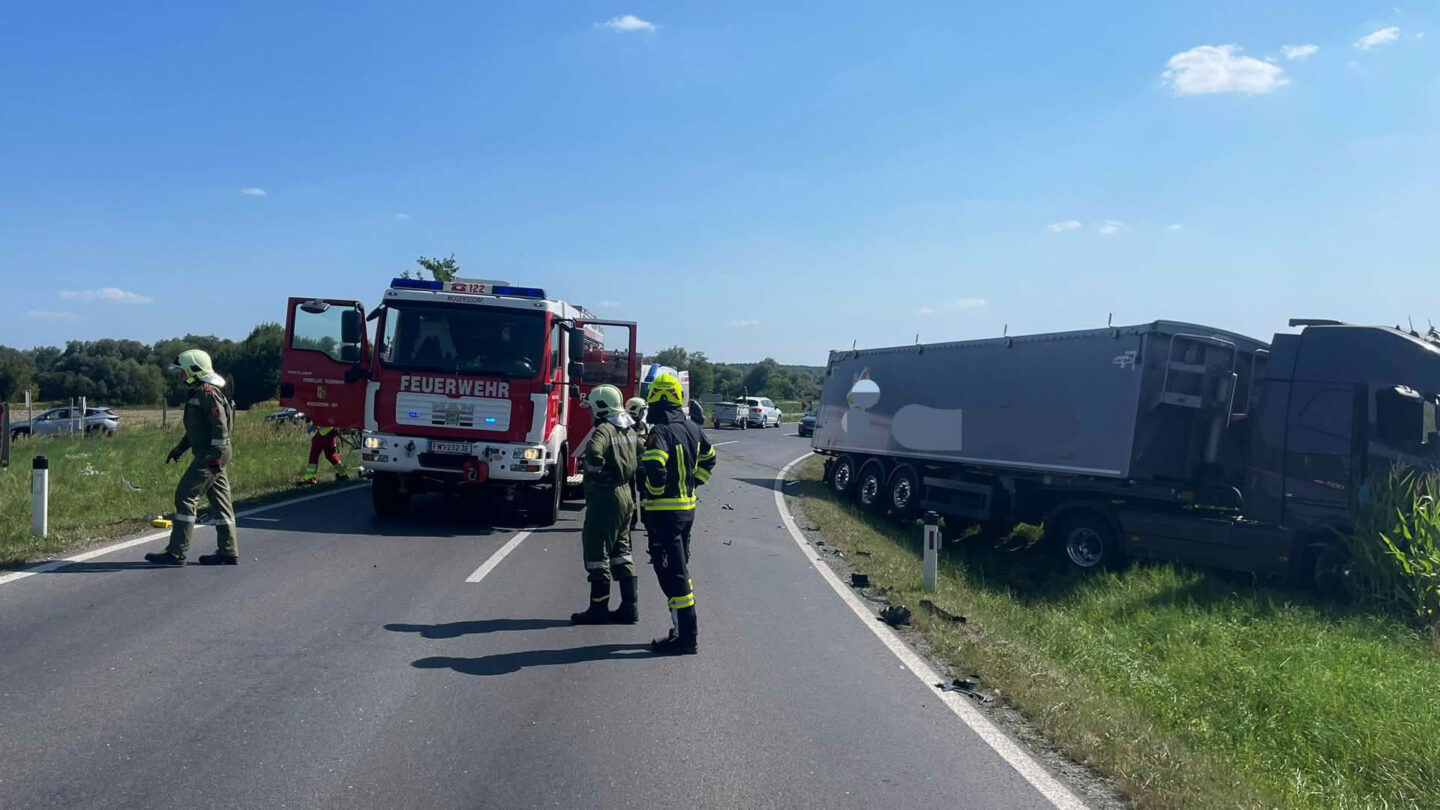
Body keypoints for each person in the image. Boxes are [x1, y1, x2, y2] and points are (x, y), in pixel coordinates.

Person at [639, 373, 717, 654]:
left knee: (672, 574)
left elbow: (654, 468)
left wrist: (653, 491)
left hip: (665, 515)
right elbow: (710, 458)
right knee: (679, 568)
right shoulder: (693, 428)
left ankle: (686, 637)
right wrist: (695, 482)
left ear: (658, 399)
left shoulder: (659, 431)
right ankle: (680, 630)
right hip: (687, 511)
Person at [144, 349, 238, 566]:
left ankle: (176, 552)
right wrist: (180, 448)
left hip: (211, 455)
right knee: (221, 502)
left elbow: (220, 428)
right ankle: (228, 551)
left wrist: (214, 458)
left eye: (183, 372)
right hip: (215, 454)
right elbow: (197, 429)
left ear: (194, 371)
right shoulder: (201, 392)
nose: (180, 377)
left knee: (185, 496)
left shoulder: (207, 393)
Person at [571, 384, 641, 625]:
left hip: (606, 497)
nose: (590, 414)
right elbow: (643, 452)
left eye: (591, 409)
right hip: (626, 496)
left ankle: (598, 609)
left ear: (601, 408)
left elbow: (594, 452)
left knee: (597, 551)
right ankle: (629, 607)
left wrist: (595, 473)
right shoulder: (630, 430)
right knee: (621, 551)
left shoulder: (604, 430)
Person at [626, 396, 649, 531]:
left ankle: (646, 520)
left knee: (644, 494)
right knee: (631, 495)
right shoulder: (625, 425)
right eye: (642, 411)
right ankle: (632, 520)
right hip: (630, 464)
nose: (643, 414)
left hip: (641, 465)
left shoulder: (642, 425)